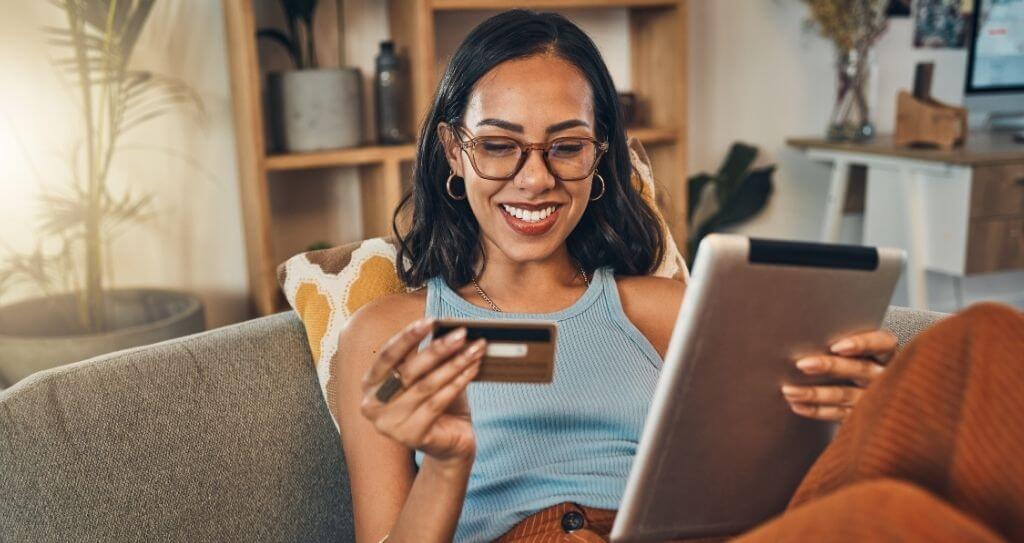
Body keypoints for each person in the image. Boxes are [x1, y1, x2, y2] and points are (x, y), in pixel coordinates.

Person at [336, 10, 897, 543]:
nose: (535, 179)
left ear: (601, 155)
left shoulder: (664, 310)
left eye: (567, 147)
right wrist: (447, 460)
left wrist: (852, 417)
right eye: (499, 146)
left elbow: (760, 485)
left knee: (969, 349)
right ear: (453, 151)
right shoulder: (386, 334)